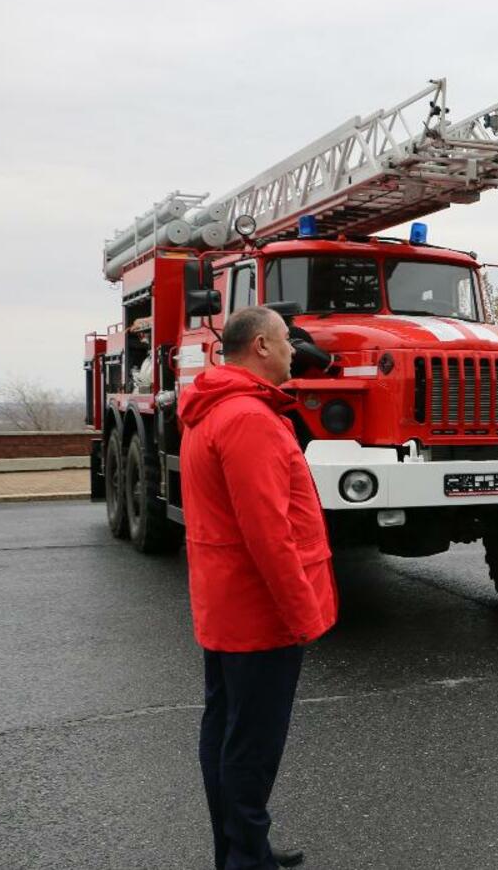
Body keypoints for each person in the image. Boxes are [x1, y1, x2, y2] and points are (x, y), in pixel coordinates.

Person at [179, 306, 337, 869]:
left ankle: (241, 846)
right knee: (252, 743)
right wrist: (302, 612)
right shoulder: (249, 418)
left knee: (229, 730)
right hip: (258, 613)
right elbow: (268, 533)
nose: (296, 349)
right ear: (262, 346)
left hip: (229, 605)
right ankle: (246, 859)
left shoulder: (216, 408)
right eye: (286, 339)